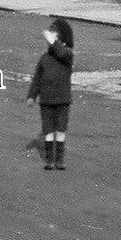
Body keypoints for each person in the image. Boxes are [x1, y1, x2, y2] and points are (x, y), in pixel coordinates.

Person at [25, 17, 75, 170]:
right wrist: (32, 96)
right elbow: (37, 79)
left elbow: (61, 52)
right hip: (46, 101)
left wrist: (54, 42)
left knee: (60, 130)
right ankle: (49, 160)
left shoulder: (67, 56)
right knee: (48, 131)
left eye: (55, 39)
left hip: (62, 100)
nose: (50, 42)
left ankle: (59, 160)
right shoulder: (44, 59)